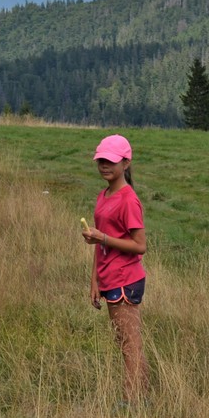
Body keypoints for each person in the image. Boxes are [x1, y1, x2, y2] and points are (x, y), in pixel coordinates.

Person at [81, 134, 149, 403]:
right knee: (126, 342)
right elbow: (100, 242)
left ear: (126, 162)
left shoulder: (128, 199)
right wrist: (94, 280)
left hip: (125, 279)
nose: (104, 166)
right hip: (109, 278)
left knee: (129, 343)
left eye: (110, 161)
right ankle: (139, 398)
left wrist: (103, 238)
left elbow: (140, 245)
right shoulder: (104, 195)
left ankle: (131, 402)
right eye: (100, 161)